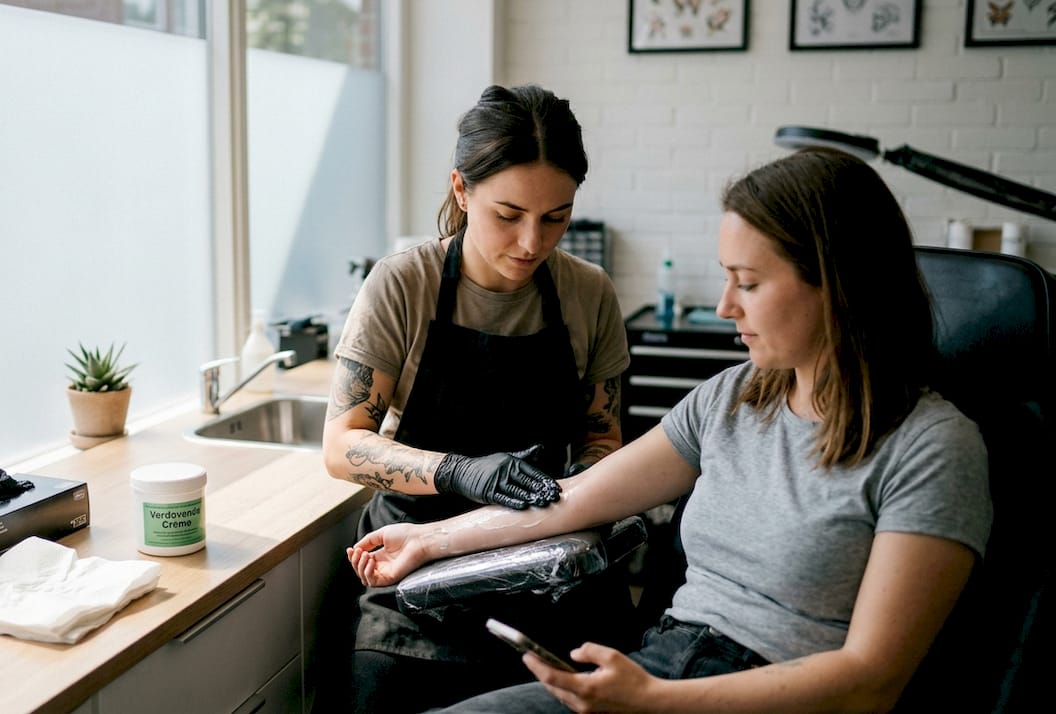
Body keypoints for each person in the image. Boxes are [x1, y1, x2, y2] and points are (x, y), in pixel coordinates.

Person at [347, 148, 993, 713]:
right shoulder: (733, 397)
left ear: (839, 285)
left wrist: (654, 701)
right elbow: (572, 499)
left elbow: (869, 683)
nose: (725, 306)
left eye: (748, 283)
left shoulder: (933, 449)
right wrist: (428, 539)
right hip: (666, 660)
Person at [320, 84, 632, 713]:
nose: (531, 242)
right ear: (462, 190)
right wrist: (459, 471)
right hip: (415, 568)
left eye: (556, 217)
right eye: (508, 215)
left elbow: (603, 439)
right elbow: (342, 445)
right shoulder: (402, 284)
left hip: (547, 557)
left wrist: (571, 493)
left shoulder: (589, 293)